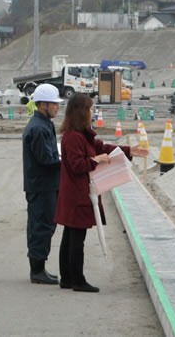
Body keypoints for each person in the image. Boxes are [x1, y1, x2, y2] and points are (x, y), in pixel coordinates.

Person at [54, 94, 148, 293]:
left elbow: (103, 147)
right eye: (89, 109)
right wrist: (97, 160)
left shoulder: (82, 135)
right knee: (75, 237)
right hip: (76, 194)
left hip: (76, 193)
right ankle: (76, 280)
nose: (92, 112)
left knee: (71, 235)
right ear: (81, 112)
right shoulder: (73, 137)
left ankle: (67, 278)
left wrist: (128, 150)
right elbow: (78, 165)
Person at [22, 84, 62, 285]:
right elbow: (46, 159)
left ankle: (40, 267)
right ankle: (37, 271)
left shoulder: (44, 123)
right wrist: (69, 162)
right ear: (43, 104)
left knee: (45, 223)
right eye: (54, 104)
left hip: (46, 184)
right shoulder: (38, 128)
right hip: (41, 185)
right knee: (41, 225)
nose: (57, 107)